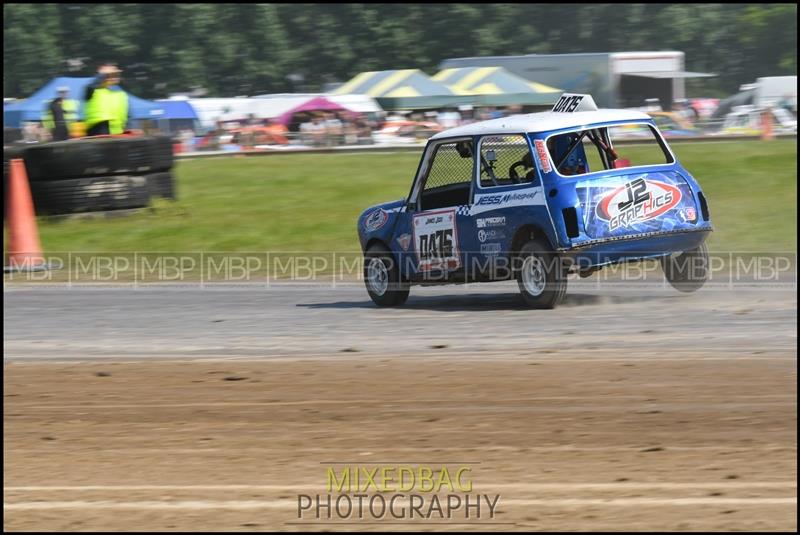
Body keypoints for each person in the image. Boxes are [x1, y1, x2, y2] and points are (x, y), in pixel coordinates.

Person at [84, 63, 129, 136]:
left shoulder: (120, 94)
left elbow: (126, 116)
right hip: (99, 131)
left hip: (117, 133)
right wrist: (103, 73)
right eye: (110, 75)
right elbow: (92, 85)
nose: (113, 77)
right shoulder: (92, 91)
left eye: (115, 75)